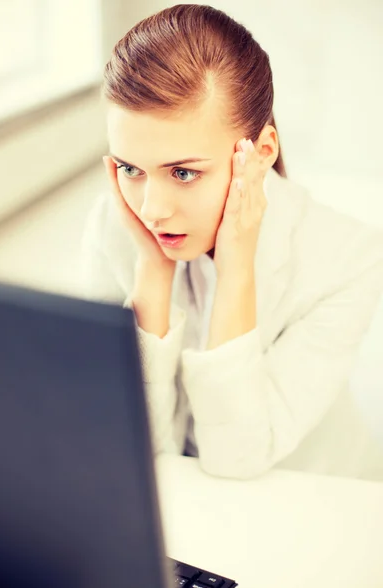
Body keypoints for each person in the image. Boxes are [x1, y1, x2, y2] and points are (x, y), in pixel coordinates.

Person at [80, 4, 383, 480]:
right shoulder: (112, 228)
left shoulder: (350, 260)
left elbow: (237, 459)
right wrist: (152, 276)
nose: (151, 209)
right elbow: (127, 445)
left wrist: (236, 271)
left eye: (183, 172)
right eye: (129, 168)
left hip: (309, 506)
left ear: (260, 153)